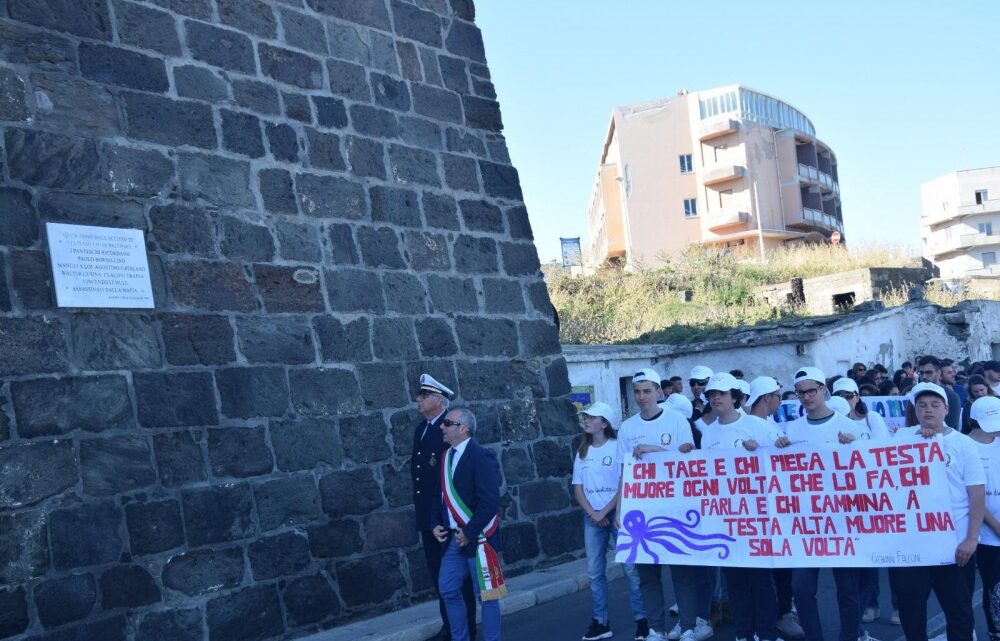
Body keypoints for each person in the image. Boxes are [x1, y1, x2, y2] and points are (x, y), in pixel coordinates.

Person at [615, 369, 706, 641]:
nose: (642, 397)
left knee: (682, 572)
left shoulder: (677, 421)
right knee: (647, 575)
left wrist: (653, 450)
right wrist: (620, 509)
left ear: (658, 392)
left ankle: (688, 627)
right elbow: (623, 473)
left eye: (647, 391)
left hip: (674, 507)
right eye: (637, 391)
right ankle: (656, 629)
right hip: (641, 511)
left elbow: (687, 462)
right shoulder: (627, 428)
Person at [890, 383, 984, 641]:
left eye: (934, 404)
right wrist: (848, 442)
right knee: (911, 611)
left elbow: (976, 494)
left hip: (954, 545)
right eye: (921, 404)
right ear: (914, 410)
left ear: (946, 409)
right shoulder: (900, 438)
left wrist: (971, 539)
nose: (928, 410)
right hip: (912, 546)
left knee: (960, 613)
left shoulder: (964, 444)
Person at [700, 373, 786, 641]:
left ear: (734, 397)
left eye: (721, 393)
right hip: (727, 518)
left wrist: (762, 450)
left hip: (759, 516)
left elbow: (785, 459)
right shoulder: (708, 433)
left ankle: (767, 633)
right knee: (736, 580)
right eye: (712, 394)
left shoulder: (757, 426)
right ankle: (744, 633)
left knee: (761, 581)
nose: (715, 398)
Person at [781, 367, 865, 641]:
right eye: (800, 392)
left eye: (811, 390)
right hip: (806, 523)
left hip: (842, 519)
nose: (806, 397)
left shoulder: (847, 425)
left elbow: (867, 471)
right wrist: (777, 449)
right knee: (802, 588)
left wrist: (854, 447)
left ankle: (849, 636)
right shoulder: (791, 429)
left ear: (823, 390)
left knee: (847, 589)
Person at [574, 401, 648, 641]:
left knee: (631, 570)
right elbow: (578, 488)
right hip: (591, 518)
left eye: (592, 417)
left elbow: (623, 484)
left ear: (604, 423)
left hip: (617, 515)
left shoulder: (618, 447)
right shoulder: (582, 450)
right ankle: (600, 621)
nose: (586, 420)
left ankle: (642, 620)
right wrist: (592, 513)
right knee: (595, 572)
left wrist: (605, 511)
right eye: (586, 417)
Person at [412, 374, 476, 641]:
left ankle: (465, 630)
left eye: (424, 396)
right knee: (439, 575)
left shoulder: (450, 429)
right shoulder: (422, 429)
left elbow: (450, 478)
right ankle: (449, 626)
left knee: (458, 580)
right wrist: (427, 517)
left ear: (439, 401)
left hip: (448, 515)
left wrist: (441, 515)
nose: (418, 399)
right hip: (429, 516)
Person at [433, 407, 504, 641]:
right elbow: (442, 496)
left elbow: (490, 500)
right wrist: (436, 523)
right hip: (455, 539)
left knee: (487, 596)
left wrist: (470, 532)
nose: (441, 426)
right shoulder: (446, 457)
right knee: (448, 588)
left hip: (480, 538)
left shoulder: (480, 456)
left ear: (463, 428)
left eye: (447, 423)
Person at [747, 377, 805, 639]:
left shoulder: (770, 424)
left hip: (780, 506)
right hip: (765, 507)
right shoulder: (752, 427)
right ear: (768, 398)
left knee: (784, 565)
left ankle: (782, 611)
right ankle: (778, 616)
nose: (780, 401)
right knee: (775, 570)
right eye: (778, 397)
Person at [966, 396, 1000, 641]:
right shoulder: (965, 446)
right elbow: (973, 495)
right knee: (994, 590)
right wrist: (996, 525)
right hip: (986, 535)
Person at [917, 356, 963, 430]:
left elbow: (948, 426)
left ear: (938, 373)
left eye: (929, 372)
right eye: (921, 373)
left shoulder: (951, 397)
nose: (924, 376)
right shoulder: (914, 394)